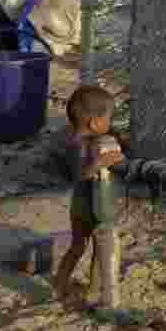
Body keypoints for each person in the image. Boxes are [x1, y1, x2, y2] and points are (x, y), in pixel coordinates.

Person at [53, 85, 125, 307]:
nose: (109, 124)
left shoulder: (79, 140)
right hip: (90, 207)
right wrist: (100, 163)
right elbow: (81, 173)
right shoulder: (78, 146)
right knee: (97, 245)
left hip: (80, 207)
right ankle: (101, 293)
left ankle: (77, 285)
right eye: (108, 119)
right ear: (95, 123)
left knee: (82, 245)